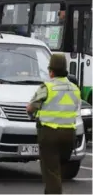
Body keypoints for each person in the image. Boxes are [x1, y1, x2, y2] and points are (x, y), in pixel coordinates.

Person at [26, 54, 81, 194]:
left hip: (49, 134)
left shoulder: (47, 87)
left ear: (51, 71)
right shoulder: (75, 89)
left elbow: (31, 107)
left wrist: (32, 116)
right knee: (57, 171)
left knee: (51, 172)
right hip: (70, 135)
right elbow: (76, 109)